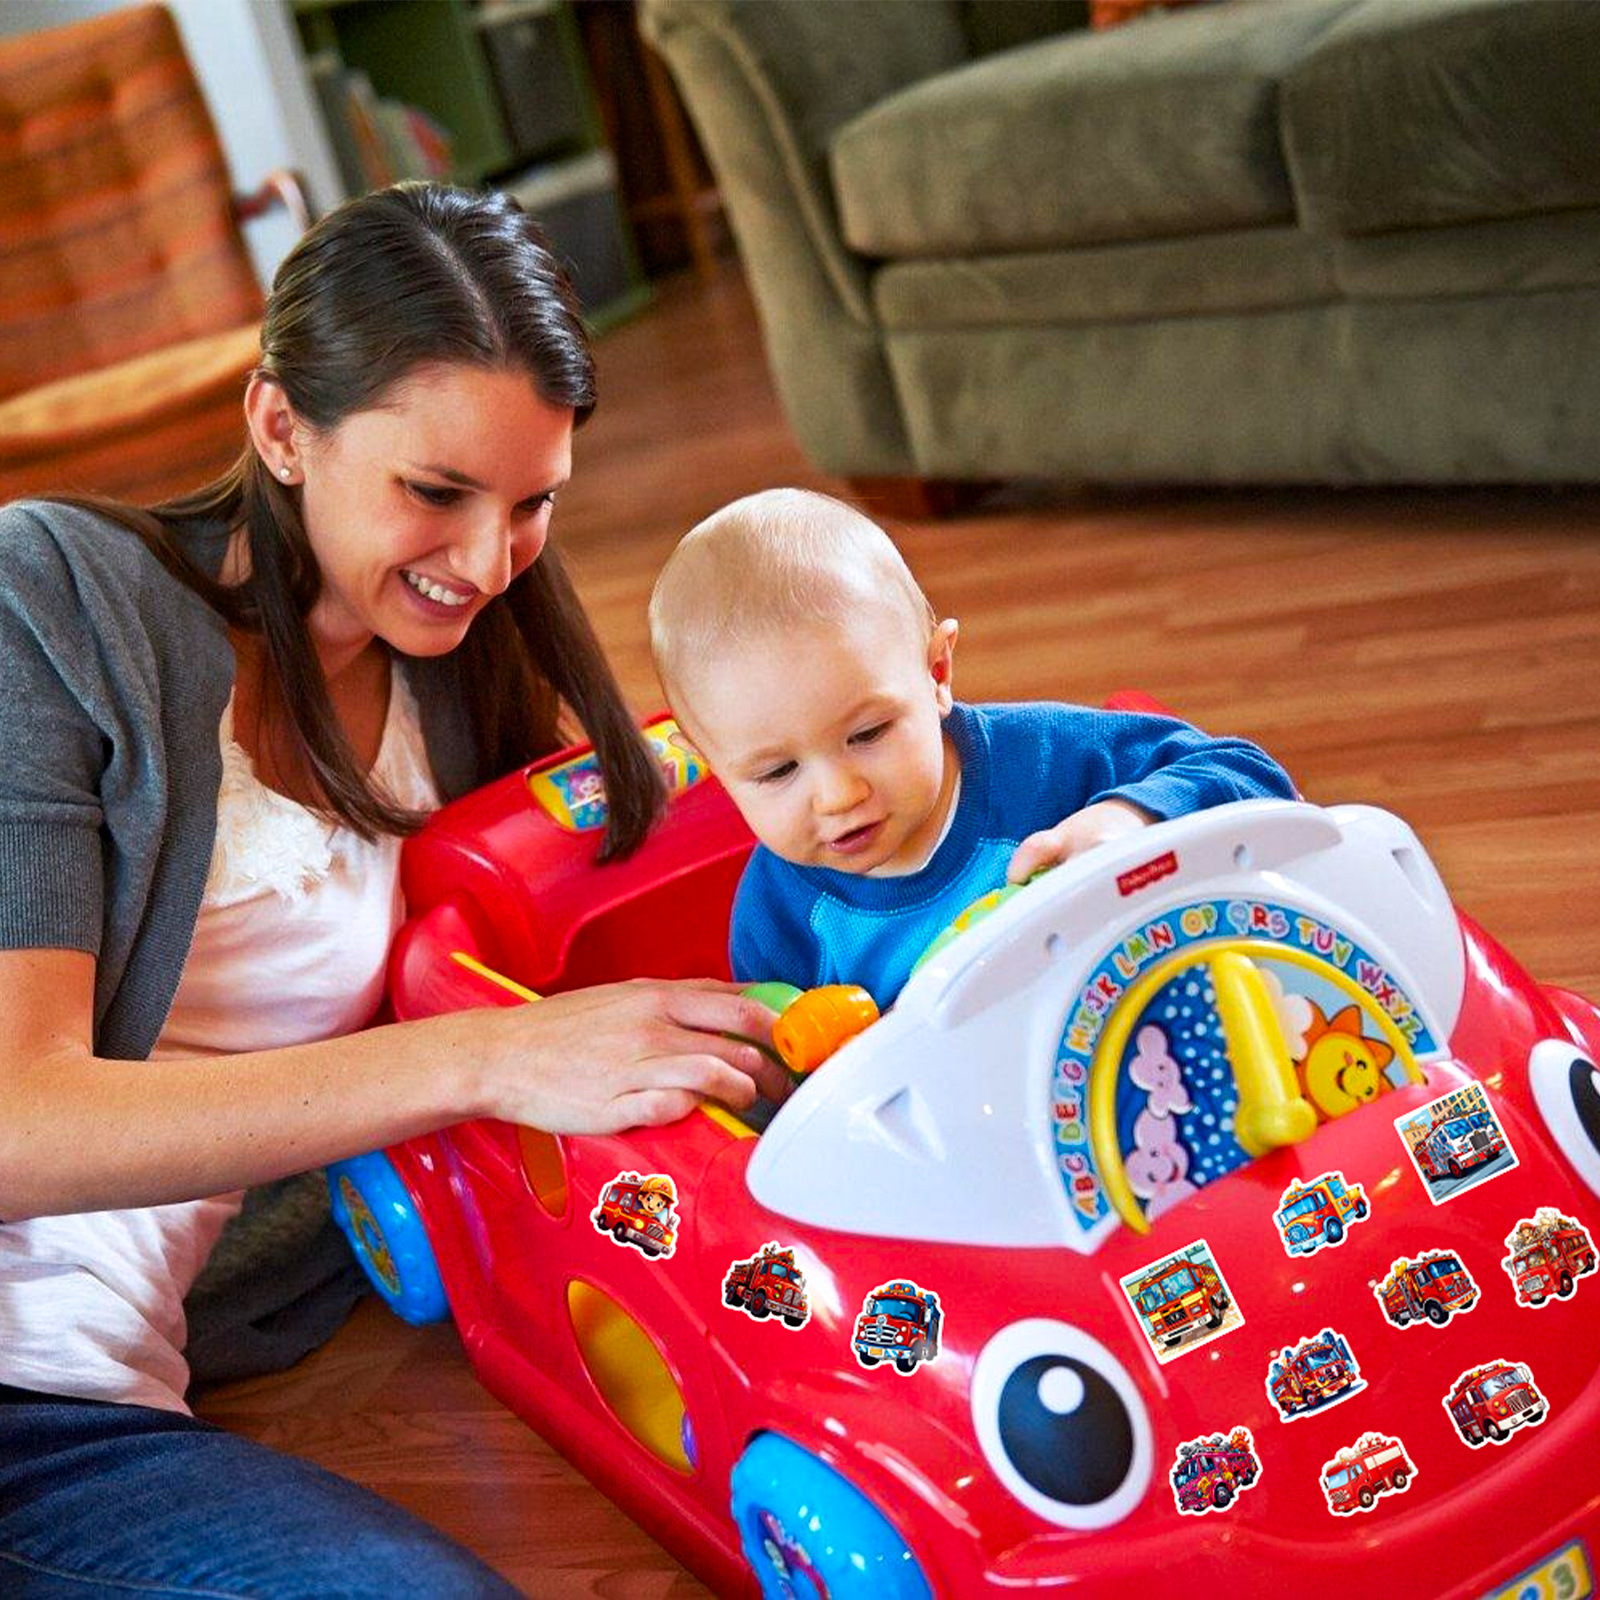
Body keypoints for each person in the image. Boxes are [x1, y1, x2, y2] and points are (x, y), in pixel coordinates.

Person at [0, 183, 785, 1597]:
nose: (487, 563)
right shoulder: (53, 599)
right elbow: (17, 1120)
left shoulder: (456, 696)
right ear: (279, 426)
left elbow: (654, 908)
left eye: (532, 502)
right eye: (436, 492)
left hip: (88, 1406)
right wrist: (484, 1058)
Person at [648, 488, 1296, 1009]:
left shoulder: (1048, 760)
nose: (839, 794)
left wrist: (1126, 818)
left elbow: (1252, 777)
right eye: (777, 771)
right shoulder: (779, 922)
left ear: (936, 673)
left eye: (869, 734)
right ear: (711, 760)